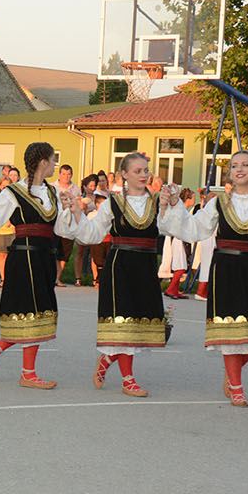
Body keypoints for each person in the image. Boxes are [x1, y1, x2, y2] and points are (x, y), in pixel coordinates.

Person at [165, 150, 248, 407]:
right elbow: (194, 228)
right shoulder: (218, 202)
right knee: (229, 330)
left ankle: (232, 371)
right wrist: (175, 205)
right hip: (225, 267)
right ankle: (236, 386)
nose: (240, 169)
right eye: (235, 165)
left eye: (245, 165)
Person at [63, 152, 181, 396]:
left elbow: (171, 227)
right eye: (137, 171)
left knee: (137, 324)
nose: (143, 175)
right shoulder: (112, 203)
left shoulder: (157, 200)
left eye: (146, 170)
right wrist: (76, 211)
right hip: (121, 267)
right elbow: (93, 233)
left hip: (146, 267)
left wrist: (172, 204)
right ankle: (129, 380)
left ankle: (106, 361)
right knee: (124, 322)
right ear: (124, 175)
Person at [0, 142, 76, 389]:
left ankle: (5, 357)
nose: (55, 165)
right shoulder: (13, 192)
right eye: (53, 160)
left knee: (39, 314)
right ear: (43, 162)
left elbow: (60, 228)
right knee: (25, 311)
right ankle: (21, 368)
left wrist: (69, 210)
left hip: (45, 256)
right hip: (23, 257)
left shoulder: (53, 192)